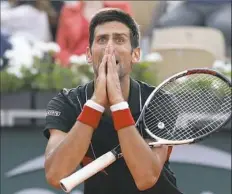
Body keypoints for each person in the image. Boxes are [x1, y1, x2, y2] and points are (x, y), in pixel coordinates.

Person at [44, 8, 183, 194]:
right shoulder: (68, 102)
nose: (110, 47)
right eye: (102, 40)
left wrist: (118, 103)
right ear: (88, 54)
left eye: (119, 40)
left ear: (135, 55)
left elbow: (146, 178)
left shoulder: (158, 101)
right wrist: (95, 104)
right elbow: (55, 175)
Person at [55, 1, 132, 67]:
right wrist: (71, 63)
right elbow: (60, 49)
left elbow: (127, 46)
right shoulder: (68, 12)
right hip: (75, 69)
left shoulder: (121, 10)